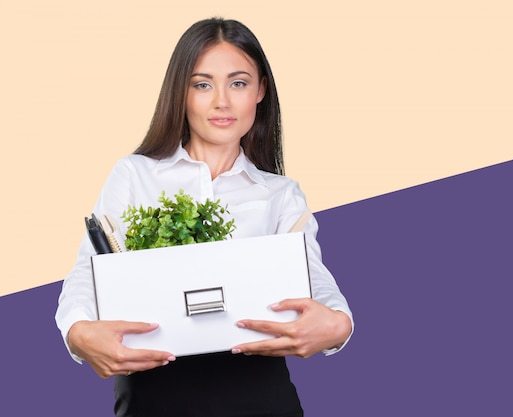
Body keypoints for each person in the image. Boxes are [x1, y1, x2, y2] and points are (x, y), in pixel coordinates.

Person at [55, 17, 353, 417]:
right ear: (181, 92)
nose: (222, 102)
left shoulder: (280, 195)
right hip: (153, 395)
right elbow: (85, 274)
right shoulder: (134, 175)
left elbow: (316, 282)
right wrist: (78, 333)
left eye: (239, 83)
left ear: (260, 90)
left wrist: (340, 326)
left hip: (260, 397)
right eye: (202, 84)